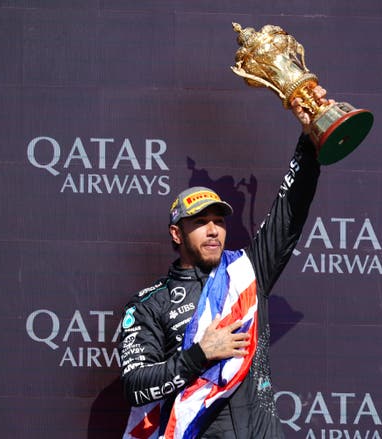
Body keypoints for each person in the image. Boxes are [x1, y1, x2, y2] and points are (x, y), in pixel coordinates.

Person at [119, 85, 330, 439]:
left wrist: (310, 137)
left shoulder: (247, 272)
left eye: (218, 221)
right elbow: (135, 387)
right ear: (177, 234)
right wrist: (199, 355)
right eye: (200, 223)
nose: (213, 230)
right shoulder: (149, 304)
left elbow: (288, 213)